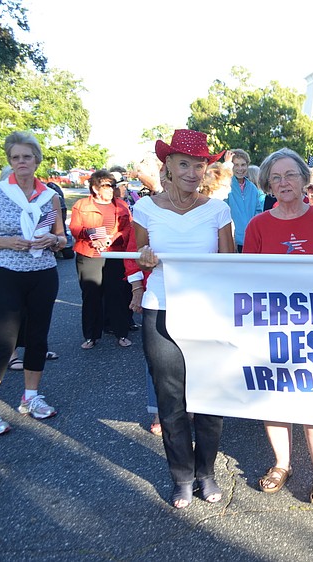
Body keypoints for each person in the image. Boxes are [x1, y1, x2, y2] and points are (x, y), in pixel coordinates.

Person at [242, 148, 313, 506]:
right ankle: (282, 463)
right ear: (268, 186)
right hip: (272, 323)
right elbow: (247, 279)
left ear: (305, 180)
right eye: (276, 177)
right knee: (275, 393)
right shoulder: (258, 225)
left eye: (290, 175)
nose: (284, 182)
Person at [133, 129, 234, 508]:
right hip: (160, 308)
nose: (193, 172)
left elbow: (228, 265)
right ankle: (181, 476)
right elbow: (139, 252)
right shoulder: (144, 209)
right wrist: (142, 259)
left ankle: (206, 472)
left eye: (200, 165)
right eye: (185, 164)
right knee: (170, 397)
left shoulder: (217, 210)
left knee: (209, 395)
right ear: (169, 167)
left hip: (207, 312)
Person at [0, 131, 67, 437]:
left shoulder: (51, 196)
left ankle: (30, 397)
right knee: (3, 344)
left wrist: (54, 239)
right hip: (5, 272)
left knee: (38, 338)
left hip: (43, 272)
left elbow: (62, 238)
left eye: (26, 157)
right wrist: (7, 241)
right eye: (15, 157)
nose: (21, 162)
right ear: (9, 160)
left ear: (36, 160)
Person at [70, 170, 136, 349]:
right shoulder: (81, 205)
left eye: (112, 186)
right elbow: (75, 228)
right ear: (95, 188)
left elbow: (129, 229)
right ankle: (91, 336)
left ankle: (121, 333)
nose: (110, 190)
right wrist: (93, 235)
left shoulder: (121, 205)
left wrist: (113, 237)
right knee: (91, 295)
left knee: (117, 294)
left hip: (114, 254)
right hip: (89, 255)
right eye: (106, 186)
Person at [223, 149, 265, 252]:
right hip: (232, 241)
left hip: (250, 240)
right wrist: (226, 165)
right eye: (236, 165)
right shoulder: (226, 186)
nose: (240, 169)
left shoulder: (252, 188)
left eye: (243, 165)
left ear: (247, 165)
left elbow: (258, 212)